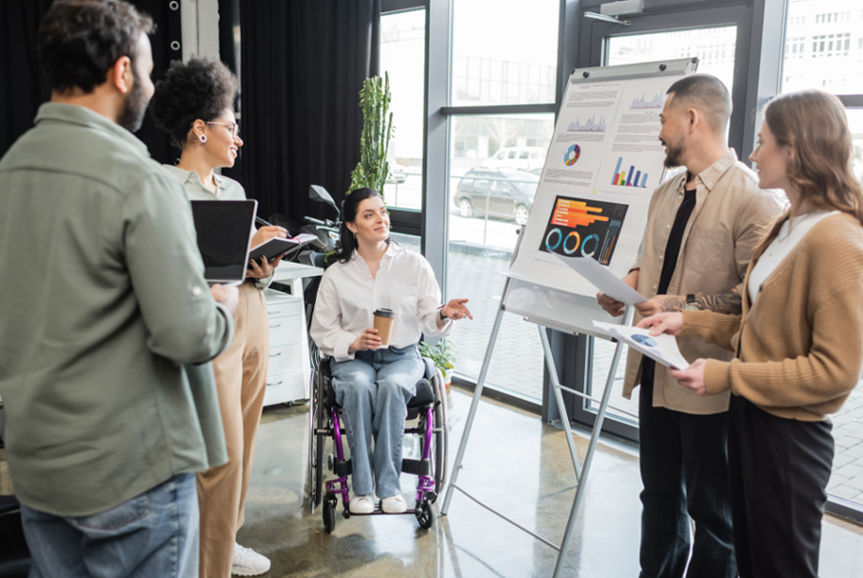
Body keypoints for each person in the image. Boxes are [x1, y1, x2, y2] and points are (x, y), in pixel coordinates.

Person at [0, 1, 237, 576]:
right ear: (122, 72)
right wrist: (220, 307)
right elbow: (186, 335)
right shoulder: (136, 177)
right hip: (133, 472)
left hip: (41, 466)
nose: (152, 87)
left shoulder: (11, 168)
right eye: (149, 70)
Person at [640, 89, 863, 578]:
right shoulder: (790, 224)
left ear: (795, 151)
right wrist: (688, 320)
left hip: (789, 439)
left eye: (763, 143)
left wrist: (726, 377)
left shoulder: (837, 240)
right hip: (753, 420)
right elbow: (753, 322)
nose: (754, 152)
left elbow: (836, 372)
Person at [596, 74, 783, 578]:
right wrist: (625, 286)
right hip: (657, 370)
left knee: (712, 513)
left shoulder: (753, 199)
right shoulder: (665, 192)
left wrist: (677, 303)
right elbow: (649, 260)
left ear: (692, 119)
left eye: (663, 119)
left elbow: (755, 299)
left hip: (709, 382)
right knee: (658, 496)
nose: (659, 131)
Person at [149, 57, 283, 577]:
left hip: (251, 310)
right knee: (219, 449)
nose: (239, 139)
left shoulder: (232, 192)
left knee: (247, 437)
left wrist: (262, 261)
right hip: (209, 320)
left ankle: (226, 539)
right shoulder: (162, 186)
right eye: (232, 127)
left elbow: (238, 263)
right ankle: (210, 563)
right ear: (199, 129)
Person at [310, 188, 472, 514]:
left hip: (402, 356)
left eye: (382, 212)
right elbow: (322, 330)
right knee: (356, 386)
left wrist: (444, 313)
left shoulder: (414, 265)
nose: (380, 219)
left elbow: (428, 320)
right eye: (369, 215)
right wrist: (353, 342)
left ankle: (389, 488)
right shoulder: (337, 274)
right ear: (352, 226)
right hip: (355, 359)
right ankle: (362, 491)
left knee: (394, 385)